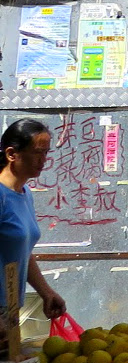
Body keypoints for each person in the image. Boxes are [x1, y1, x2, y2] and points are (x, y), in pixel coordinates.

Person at [0, 119, 66, 323]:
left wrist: (46, 292)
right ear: (12, 154)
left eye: (46, 153)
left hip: (9, 309)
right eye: (37, 152)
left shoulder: (25, 193)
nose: (43, 160)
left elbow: (21, 252)